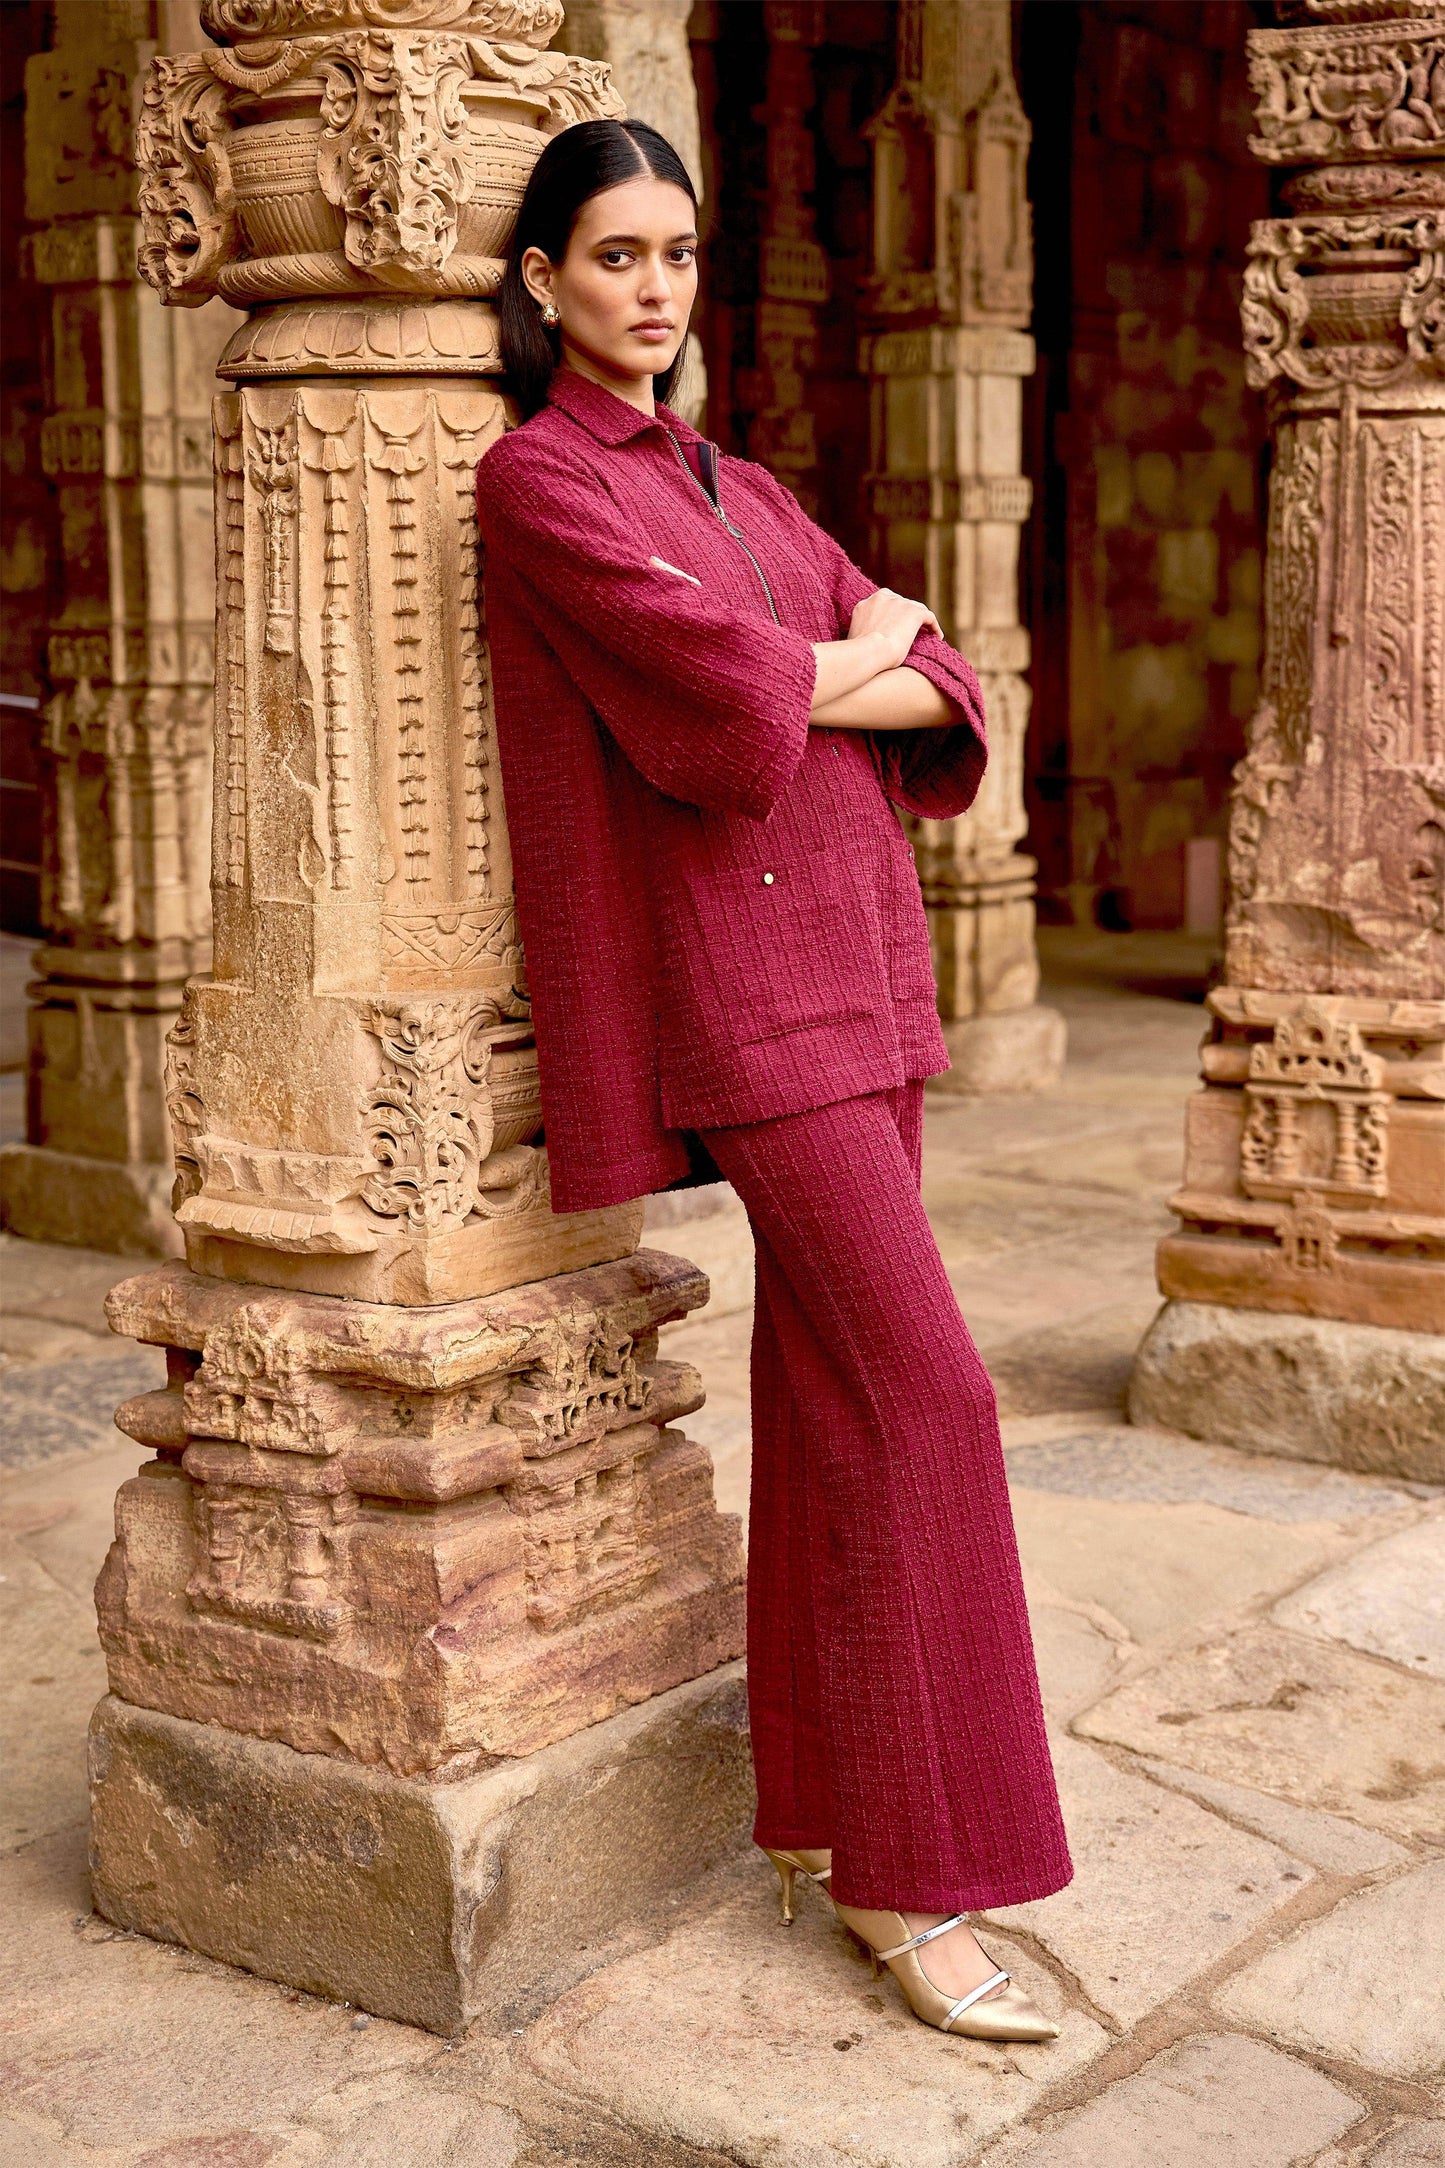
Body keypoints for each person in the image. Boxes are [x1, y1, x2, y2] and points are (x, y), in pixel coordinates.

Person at [475, 117, 1072, 2044]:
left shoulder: (742, 484)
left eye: (675, 252)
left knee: (831, 1397)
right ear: (542, 278)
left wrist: (830, 651)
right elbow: (712, 709)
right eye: (615, 254)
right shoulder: (540, 483)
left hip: (867, 974)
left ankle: (832, 1818)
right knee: (930, 1394)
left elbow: (948, 682)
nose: (652, 288)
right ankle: (921, 1868)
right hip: (744, 1003)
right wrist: (832, 651)